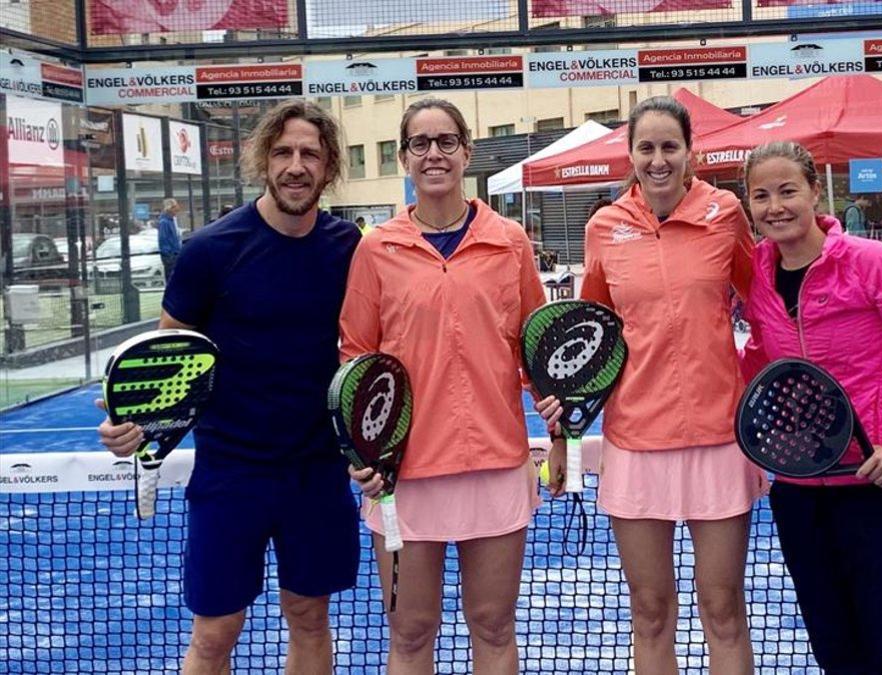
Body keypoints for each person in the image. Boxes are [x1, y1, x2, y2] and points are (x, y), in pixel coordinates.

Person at [97, 99, 361, 674]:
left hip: (318, 472)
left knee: (310, 618)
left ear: (329, 166)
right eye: (283, 152)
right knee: (215, 634)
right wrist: (133, 424)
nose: (296, 165)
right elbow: (166, 362)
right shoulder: (210, 251)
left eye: (310, 154)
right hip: (230, 473)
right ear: (263, 161)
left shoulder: (351, 250)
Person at [536, 96, 763, 675]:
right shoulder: (604, 228)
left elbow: (764, 305)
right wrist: (562, 432)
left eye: (670, 147)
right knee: (651, 611)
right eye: (646, 148)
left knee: (724, 609)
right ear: (631, 155)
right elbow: (587, 338)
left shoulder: (726, 213)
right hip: (636, 441)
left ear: (690, 152)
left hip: (718, 437)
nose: (658, 160)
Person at [341, 98, 548, 674]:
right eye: (421, 143)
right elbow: (357, 357)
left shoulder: (510, 242)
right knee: (409, 632)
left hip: (495, 463)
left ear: (467, 152)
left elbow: (535, 351)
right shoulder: (375, 248)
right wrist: (365, 450)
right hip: (403, 472)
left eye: (446, 141)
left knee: (493, 625)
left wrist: (557, 428)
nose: (434, 154)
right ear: (405, 157)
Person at [737, 141, 882, 674]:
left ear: (816, 191)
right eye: (761, 196)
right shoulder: (757, 277)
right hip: (799, 494)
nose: (776, 207)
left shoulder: (873, 263)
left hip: (878, 489)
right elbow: (761, 359)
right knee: (836, 652)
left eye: (788, 191)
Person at [158, 197, 183, 281]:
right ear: (170, 208)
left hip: (174, 255)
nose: (177, 209)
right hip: (171, 256)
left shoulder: (171, 221)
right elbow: (163, 239)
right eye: (175, 207)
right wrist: (169, 256)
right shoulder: (165, 222)